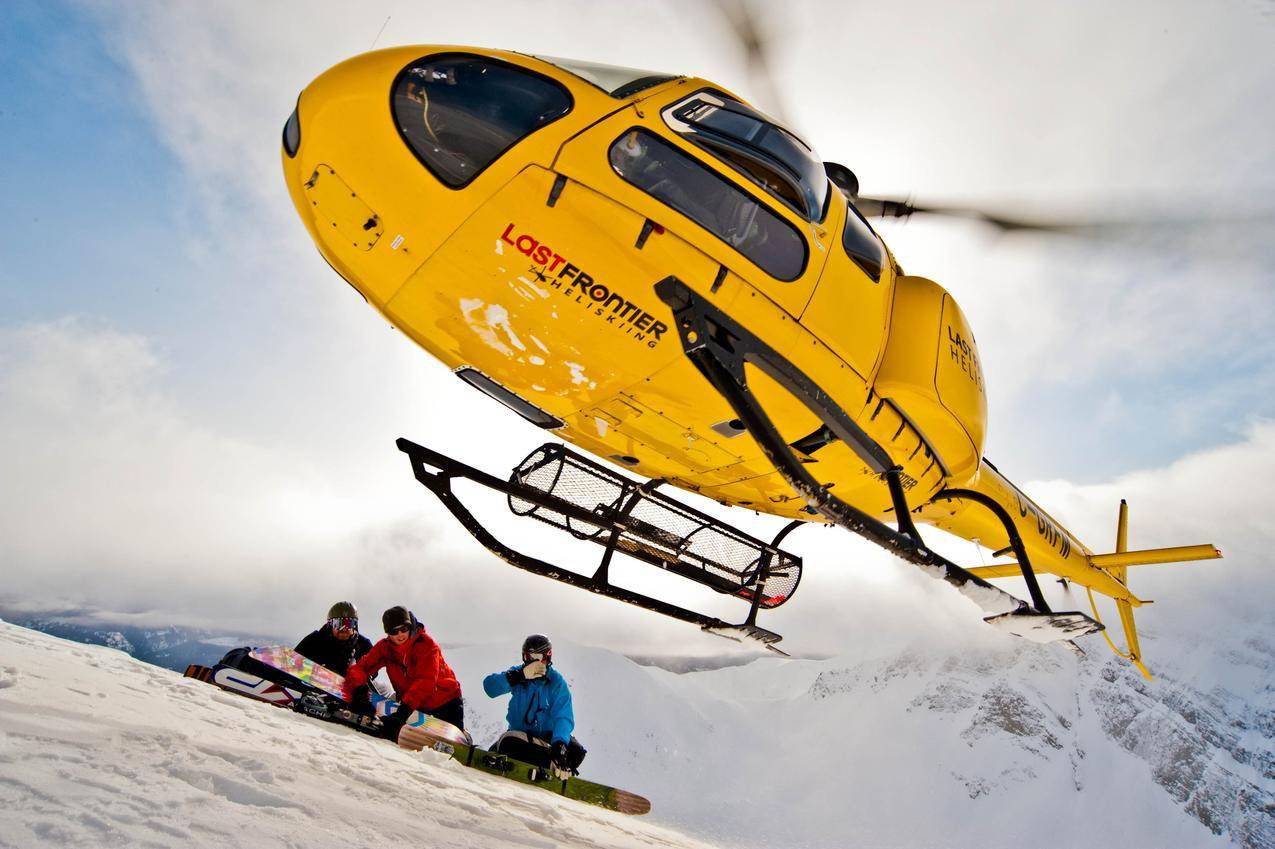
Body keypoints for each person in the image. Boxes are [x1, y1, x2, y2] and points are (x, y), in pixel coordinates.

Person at [342, 606, 463, 740]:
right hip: (416, 708)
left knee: (454, 748)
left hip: (446, 703)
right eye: (394, 631)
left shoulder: (427, 645)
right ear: (388, 633)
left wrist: (403, 713)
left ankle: (466, 737)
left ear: (410, 627)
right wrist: (359, 691)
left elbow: (426, 681)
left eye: (403, 629)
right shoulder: (385, 647)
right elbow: (359, 668)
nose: (400, 634)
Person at [482, 634, 586, 778]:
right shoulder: (518, 675)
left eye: (536, 657)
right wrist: (518, 676)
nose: (531, 662)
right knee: (508, 743)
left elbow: (563, 716)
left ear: (547, 657)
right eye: (527, 657)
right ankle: (550, 766)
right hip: (520, 737)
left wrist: (560, 744)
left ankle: (552, 765)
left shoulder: (556, 682)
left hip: (545, 740)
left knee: (576, 751)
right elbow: (490, 687)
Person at [295, 601, 373, 676]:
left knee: (382, 687)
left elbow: (373, 671)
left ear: (355, 626)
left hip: (350, 683)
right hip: (314, 679)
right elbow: (293, 660)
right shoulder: (316, 639)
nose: (343, 629)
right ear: (330, 625)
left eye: (349, 624)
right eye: (338, 624)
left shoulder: (363, 645)